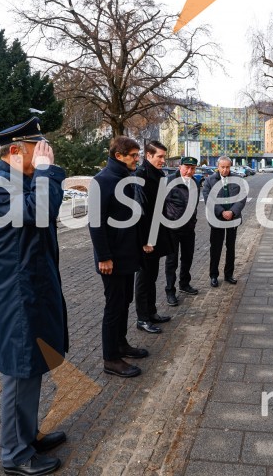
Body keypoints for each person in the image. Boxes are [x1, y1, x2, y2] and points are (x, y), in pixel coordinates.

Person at [0, 117, 67, 476]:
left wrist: (42, 174)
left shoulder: (18, 182)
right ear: (16, 150)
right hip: (13, 298)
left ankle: (27, 435)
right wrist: (46, 173)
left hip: (27, 292)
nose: (46, 153)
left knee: (32, 368)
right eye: (38, 148)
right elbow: (42, 212)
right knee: (20, 371)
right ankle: (14, 454)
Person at [89, 136, 151, 379]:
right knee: (113, 306)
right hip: (112, 259)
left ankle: (121, 344)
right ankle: (110, 359)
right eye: (133, 155)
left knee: (124, 301)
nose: (137, 159)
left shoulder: (125, 178)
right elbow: (96, 223)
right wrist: (103, 257)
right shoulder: (102, 181)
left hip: (127, 256)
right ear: (119, 156)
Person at [133, 141, 174, 334]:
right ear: (148, 156)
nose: (162, 160)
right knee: (143, 279)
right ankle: (142, 318)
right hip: (146, 238)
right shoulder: (140, 176)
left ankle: (151, 312)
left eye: (164, 157)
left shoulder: (159, 175)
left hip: (157, 234)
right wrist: (144, 241)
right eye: (159, 156)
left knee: (153, 276)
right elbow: (139, 213)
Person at [202, 156, 247, 287]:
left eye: (228, 167)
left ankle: (229, 275)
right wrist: (222, 211)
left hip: (233, 219)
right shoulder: (209, 181)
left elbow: (242, 198)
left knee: (231, 248)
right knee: (216, 248)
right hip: (217, 219)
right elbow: (208, 199)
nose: (225, 169)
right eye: (223, 167)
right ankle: (214, 276)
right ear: (218, 167)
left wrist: (232, 212)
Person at [163, 156, 200, 305]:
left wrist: (193, 221)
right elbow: (161, 205)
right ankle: (170, 291)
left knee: (187, 257)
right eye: (186, 167)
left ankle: (184, 284)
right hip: (172, 228)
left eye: (192, 168)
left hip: (188, 229)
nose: (189, 171)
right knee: (171, 261)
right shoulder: (169, 181)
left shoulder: (195, 183)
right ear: (180, 167)